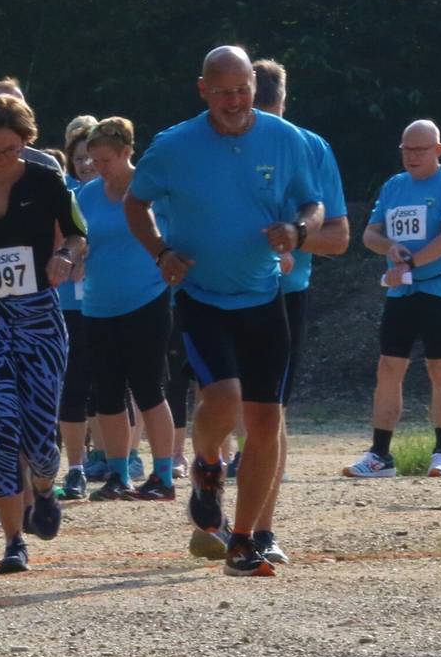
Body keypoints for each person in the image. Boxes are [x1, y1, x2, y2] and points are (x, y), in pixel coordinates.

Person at [123, 45, 322, 577]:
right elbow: (134, 203)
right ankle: (207, 465)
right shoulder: (174, 145)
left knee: (264, 420)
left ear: (255, 88)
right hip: (202, 296)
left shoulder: (286, 140)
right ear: (202, 90)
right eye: (223, 92)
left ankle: (242, 540)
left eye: (242, 91)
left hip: (264, 297)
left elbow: (313, 202)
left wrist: (298, 231)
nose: (234, 102)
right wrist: (161, 252)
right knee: (225, 398)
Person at [0, 98, 85, 575]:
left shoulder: (47, 180)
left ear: (26, 143)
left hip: (39, 318)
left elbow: (76, 234)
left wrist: (65, 256)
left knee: (41, 439)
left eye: (10, 149)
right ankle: (12, 542)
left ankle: (45, 487)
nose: (2, 157)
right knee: (2, 427)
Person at [254, 60, 352, 520]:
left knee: (269, 410)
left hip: (284, 294)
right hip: (218, 293)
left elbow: (338, 238)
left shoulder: (310, 148)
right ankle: (213, 497)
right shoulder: (205, 147)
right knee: (226, 405)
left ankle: (261, 526)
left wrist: (295, 237)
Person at [349, 119, 441, 479]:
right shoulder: (394, 187)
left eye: (420, 149)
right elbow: (370, 234)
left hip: (438, 287)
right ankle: (380, 455)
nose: (412, 156)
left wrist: (413, 262)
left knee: (439, 367)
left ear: (438, 150)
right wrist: (391, 248)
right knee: (388, 366)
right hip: (400, 289)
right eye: (407, 149)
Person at [75, 118, 178, 502]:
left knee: (150, 389)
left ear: (126, 153)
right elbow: (78, 240)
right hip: (98, 305)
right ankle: (118, 474)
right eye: (92, 160)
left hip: (146, 300)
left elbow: (172, 235)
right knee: (107, 394)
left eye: (105, 160)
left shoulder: (152, 192)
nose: (98, 168)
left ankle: (163, 476)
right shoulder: (86, 196)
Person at [50, 125, 100, 501]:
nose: (85, 164)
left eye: (92, 157)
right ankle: (76, 468)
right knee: (73, 387)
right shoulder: (64, 196)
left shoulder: (118, 195)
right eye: (79, 158)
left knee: (111, 385)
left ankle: (120, 462)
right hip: (69, 304)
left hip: (108, 302)